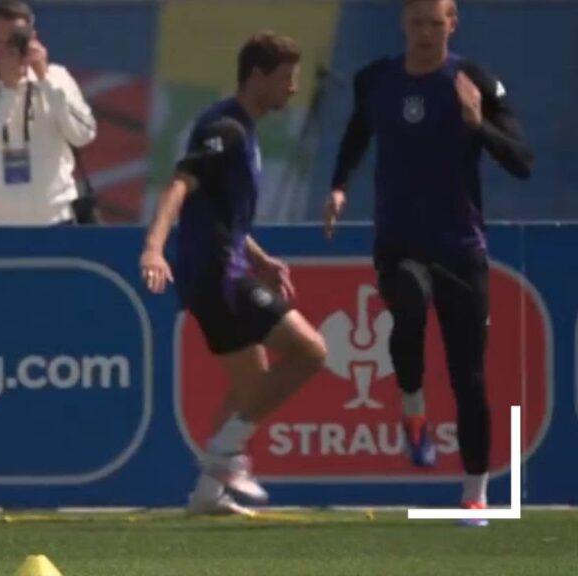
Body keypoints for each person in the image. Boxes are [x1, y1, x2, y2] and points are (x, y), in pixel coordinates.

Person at [323, 0, 533, 526]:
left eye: (435, 24)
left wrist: (475, 121)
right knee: (408, 305)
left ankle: (475, 494)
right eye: (416, 22)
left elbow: (522, 161)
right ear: (403, 24)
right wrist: (339, 186)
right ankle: (413, 407)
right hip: (400, 241)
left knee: (470, 375)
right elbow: (356, 133)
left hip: (461, 246)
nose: (424, 33)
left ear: (452, 24)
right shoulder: (376, 80)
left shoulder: (474, 81)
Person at [140, 31, 327, 516]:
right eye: (286, 78)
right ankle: (224, 453)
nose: (293, 88)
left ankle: (208, 491)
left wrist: (260, 257)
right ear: (258, 77)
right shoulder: (227, 128)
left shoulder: (243, 129)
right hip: (217, 274)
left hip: (226, 267)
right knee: (310, 351)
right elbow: (180, 185)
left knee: (252, 385)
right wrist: (154, 247)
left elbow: (220, 213)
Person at [0, 0, 96, 225]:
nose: (2, 50)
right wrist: (7, 93)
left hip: (57, 222)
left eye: (12, 41)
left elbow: (84, 134)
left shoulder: (57, 77)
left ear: (32, 39)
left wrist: (45, 80)